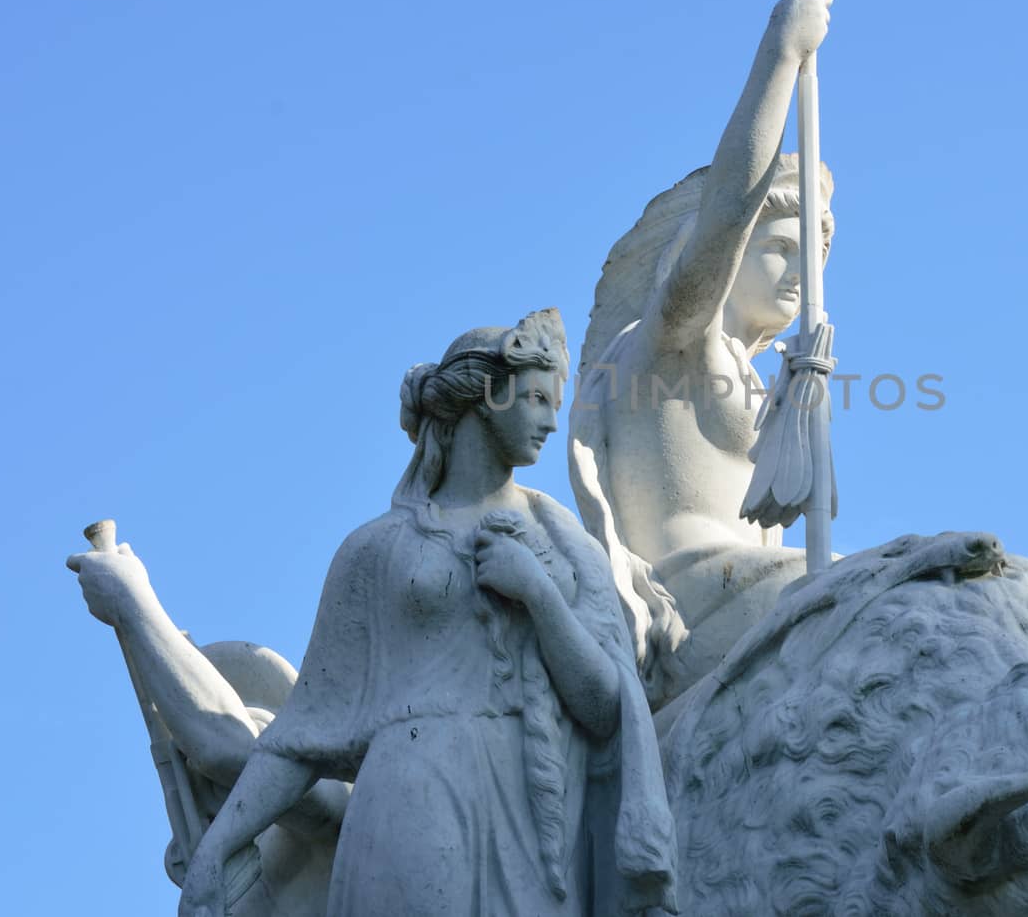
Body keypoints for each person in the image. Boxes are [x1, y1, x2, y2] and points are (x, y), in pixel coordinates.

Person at [178, 308, 676, 917]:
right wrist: (216, 849)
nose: (551, 421)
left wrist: (540, 598)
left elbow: (605, 709)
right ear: (485, 397)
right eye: (537, 399)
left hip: (535, 823)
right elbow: (301, 736)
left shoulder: (562, 541)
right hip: (410, 798)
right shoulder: (376, 550)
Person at [568, 0, 833, 709]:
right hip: (691, 608)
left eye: (818, 250)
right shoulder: (667, 345)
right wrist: (782, 56)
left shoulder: (763, 380)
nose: (802, 270)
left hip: (760, 596)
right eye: (782, 247)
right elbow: (724, 215)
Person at [67, 544, 347, 916]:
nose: (202, 774)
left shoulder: (331, 803)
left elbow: (231, 752)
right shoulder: (226, 883)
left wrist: (131, 604)